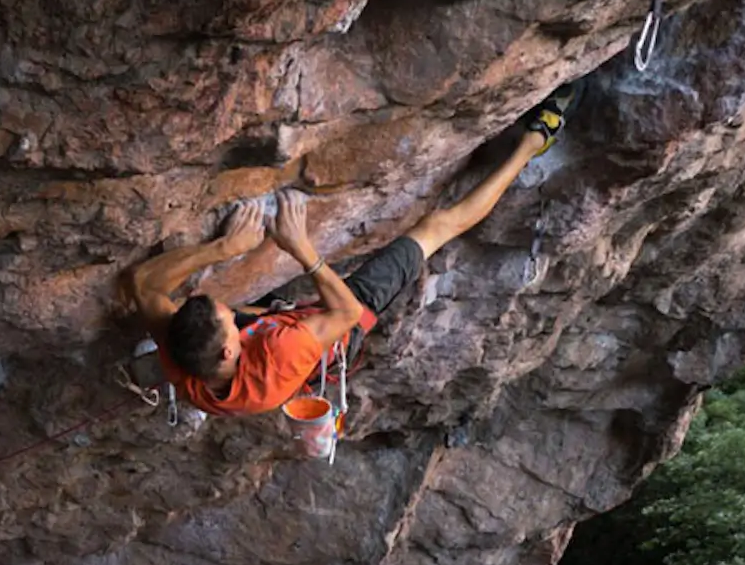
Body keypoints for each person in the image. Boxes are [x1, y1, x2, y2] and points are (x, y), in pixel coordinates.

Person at [124, 83, 578, 416]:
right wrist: (303, 250)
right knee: (434, 228)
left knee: (201, 307)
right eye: (227, 319)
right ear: (229, 351)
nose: (226, 309)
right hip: (339, 333)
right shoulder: (279, 354)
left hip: (270, 329)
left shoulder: (184, 360)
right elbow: (341, 313)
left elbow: (142, 284)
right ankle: (533, 141)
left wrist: (223, 248)